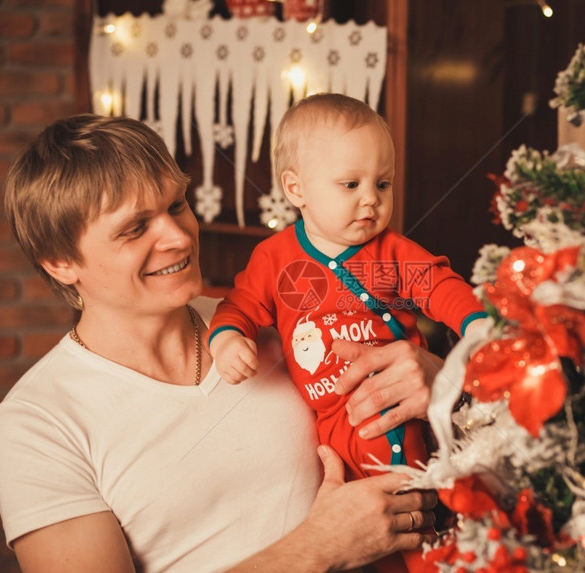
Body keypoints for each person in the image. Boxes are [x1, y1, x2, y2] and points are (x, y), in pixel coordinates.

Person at [0, 113, 441, 572]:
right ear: (61, 262)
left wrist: (438, 382)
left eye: (177, 205)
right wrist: (319, 546)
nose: (180, 238)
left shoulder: (273, 322)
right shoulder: (35, 425)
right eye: (136, 228)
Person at [206, 94, 487, 572]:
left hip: (400, 406)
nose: (371, 199)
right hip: (334, 424)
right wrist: (228, 338)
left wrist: (477, 325)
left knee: (421, 513)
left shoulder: (392, 252)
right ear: (296, 188)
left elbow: (439, 285)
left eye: (383, 183)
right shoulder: (275, 259)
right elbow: (241, 305)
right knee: (366, 529)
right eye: (350, 184)